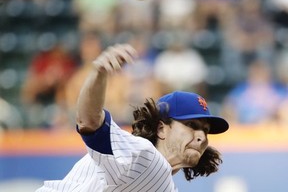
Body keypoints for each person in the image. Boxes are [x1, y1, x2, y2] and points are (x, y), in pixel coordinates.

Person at [36, 44, 229, 192]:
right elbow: (89, 122)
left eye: (205, 130)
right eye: (191, 125)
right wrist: (99, 75)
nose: (201, 136)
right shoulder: (144, 155)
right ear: (162, 129)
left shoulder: (163, 182)